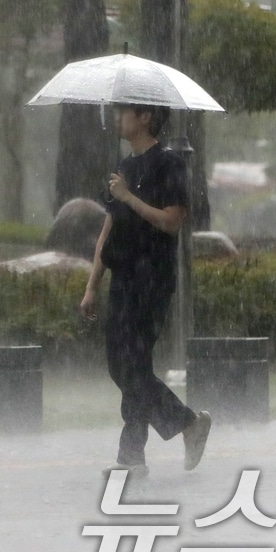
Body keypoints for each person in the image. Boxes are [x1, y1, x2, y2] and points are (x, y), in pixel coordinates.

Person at [79, 104, 211, 478]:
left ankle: (133, 453)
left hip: (151, 281)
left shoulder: (168, 165)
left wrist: (129, 199)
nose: (117, 119)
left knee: (133, 365)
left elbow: (172, 222)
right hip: (123, 279)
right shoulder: (124, 168)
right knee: (122, 367)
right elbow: (108, 231)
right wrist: (93, 284)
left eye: (125, 113)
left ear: (146, 118)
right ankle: (185, 425)